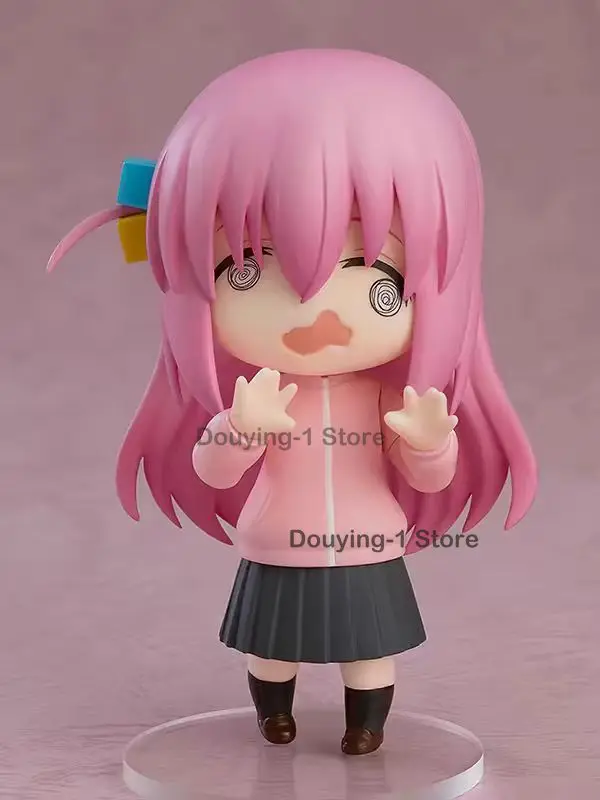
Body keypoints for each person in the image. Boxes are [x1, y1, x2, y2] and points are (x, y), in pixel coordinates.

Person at [48, 49, 537, 756]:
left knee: (369, 650)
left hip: (369, 544)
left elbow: (427, 477)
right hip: (275, 540)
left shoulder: (384, 397)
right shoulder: (257, 394)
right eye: (246, 270)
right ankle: (273, 715)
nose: (314, 311)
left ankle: (366, 724)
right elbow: (215, 470)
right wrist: (239, 431)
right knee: (270, 648)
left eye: (370, 271)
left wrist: (431, 443)